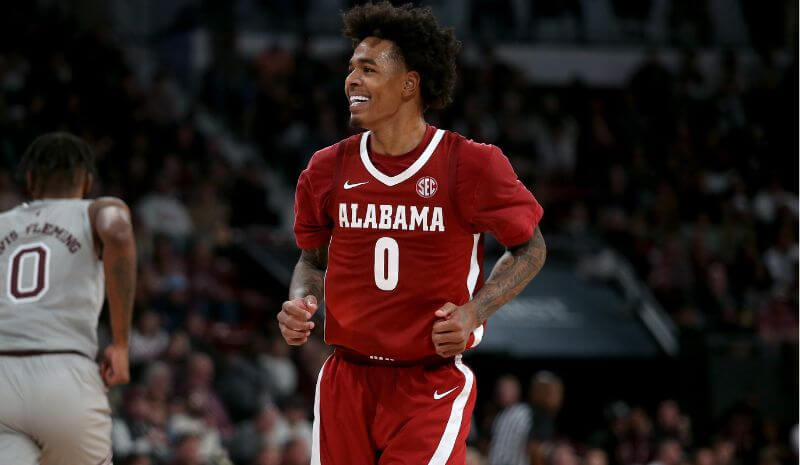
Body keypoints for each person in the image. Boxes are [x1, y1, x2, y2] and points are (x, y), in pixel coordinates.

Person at [276, 2, 546, 464]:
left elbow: (530, 247)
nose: (351, 81)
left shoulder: (471, 164)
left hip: (429, 384)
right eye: (350, 68)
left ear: (409, 84)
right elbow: (311, 260)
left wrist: (474, 312)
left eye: (367, 69)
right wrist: (301, 301)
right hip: (346, 378)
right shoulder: (325, 168)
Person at [0, 132, 137, 465]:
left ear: (30, 179)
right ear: (88, 181)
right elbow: (117, 230)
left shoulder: (1, 224)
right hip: (64, 373)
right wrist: (120, 344)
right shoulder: (96, 210)